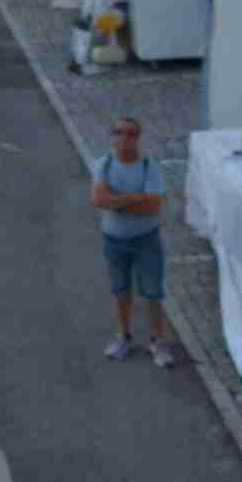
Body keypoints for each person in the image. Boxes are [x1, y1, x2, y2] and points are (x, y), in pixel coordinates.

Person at [92, 119, 176, 367]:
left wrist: (116, 201)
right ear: (112, 136)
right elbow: (98, 200)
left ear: (137, 138)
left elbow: (153, 206)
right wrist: (135, 198)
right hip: (113, 241)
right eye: (119, 132)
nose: (124, 138)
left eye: (130, 134)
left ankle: (158, 341)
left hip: (146, 240)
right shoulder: (104, 164)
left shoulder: (149, 166)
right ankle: (123, 336)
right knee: (120, 291)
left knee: (152, 293)